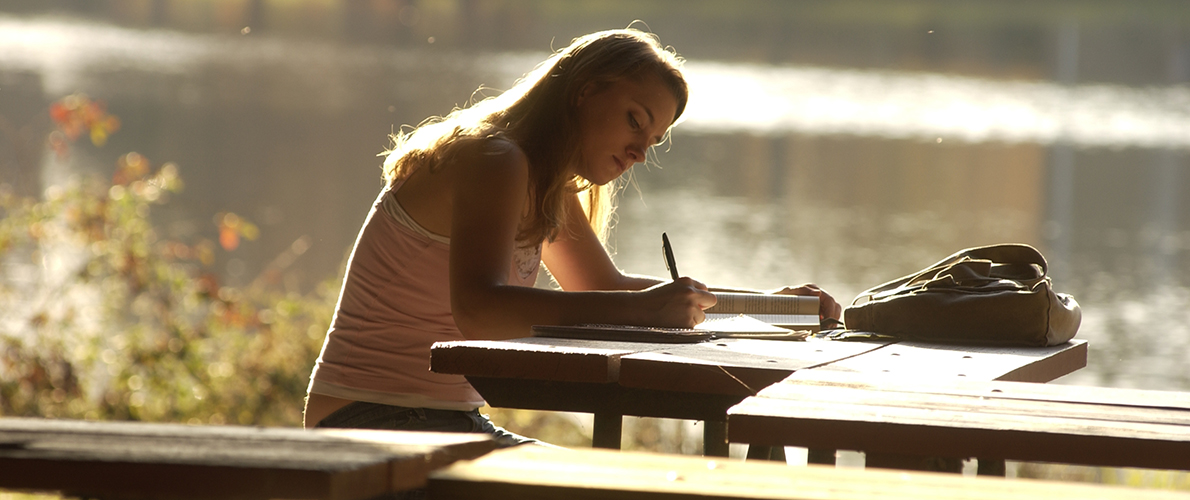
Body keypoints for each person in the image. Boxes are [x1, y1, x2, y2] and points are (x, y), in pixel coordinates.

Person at [303, 28, 842, 444]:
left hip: (438, 418)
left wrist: (775, 309)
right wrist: (643, 311)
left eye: (653, 139)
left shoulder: (542, 180)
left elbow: (611, 288)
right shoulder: (496, 158)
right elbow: (478, 309)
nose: (640, 152)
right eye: (635, 121)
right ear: (585, 93)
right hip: (370, 418)